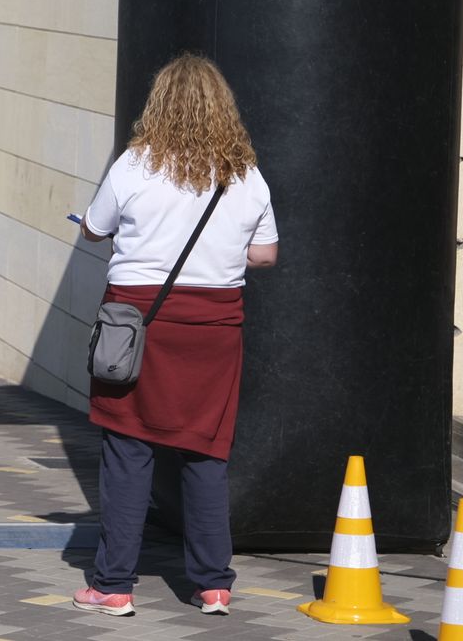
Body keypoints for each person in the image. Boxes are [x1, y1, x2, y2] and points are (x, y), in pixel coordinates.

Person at [69, 53, 278, 619]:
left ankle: (113, 585)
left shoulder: (134, 166)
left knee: (127, 449)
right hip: (214, 331)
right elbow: (265, 253)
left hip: (137, 325)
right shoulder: (245, 175)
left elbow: (95, 230)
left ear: (158, 105)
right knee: (205, 452)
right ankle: (212, 585)